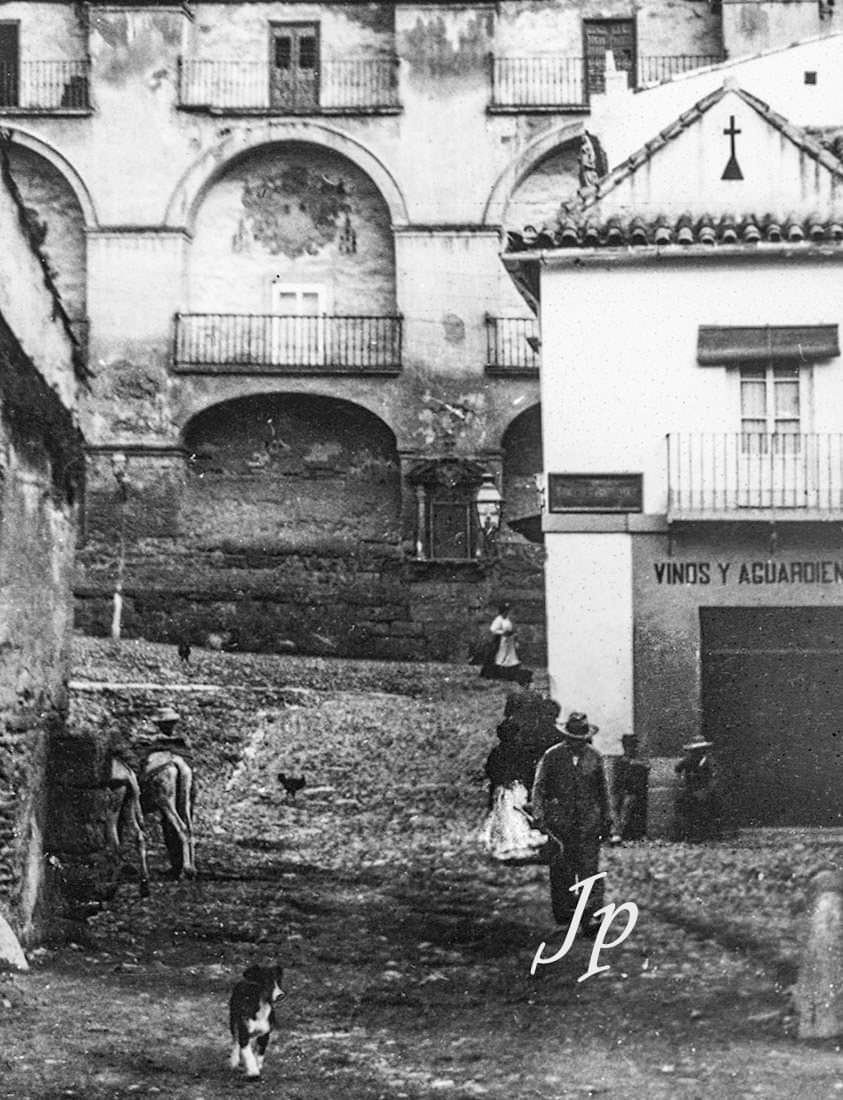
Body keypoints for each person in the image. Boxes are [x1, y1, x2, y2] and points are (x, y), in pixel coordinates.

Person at [530, 711, 612, 933]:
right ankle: (565, 913)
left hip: (588, 823)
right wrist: (539, 814)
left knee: (589, 869)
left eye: (581, 740)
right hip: (560, 824)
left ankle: (592, 916)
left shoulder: (594, 757)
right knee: (562, 870)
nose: (577, 744)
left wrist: (607, 817)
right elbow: (539, 786)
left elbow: (603, 791)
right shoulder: (552, 756)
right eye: (573, 739)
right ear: (566, 737)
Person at [480, 718, 547, 862]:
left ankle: (513, 842)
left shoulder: (504, 752)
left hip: (512, 789)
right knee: (510, 815)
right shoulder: (511, 752)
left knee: (513, 814)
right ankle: (513, 843)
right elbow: (493, 771)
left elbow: (491, 771)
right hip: (508, 789)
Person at [674, 739, 721, 841]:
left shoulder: (708, 761)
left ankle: (706, 834)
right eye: (694, 750)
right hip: (690, 790)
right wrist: (682, 782)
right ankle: (688, 834)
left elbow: (714, 777)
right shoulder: (688, 760)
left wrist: (707, 790)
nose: (696, 753)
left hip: (704, 790)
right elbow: (677, 769)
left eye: (699, 750)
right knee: (685, 810)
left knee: (705, 811)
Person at [479, 601, 533, 687]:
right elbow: (493, 629)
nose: (507, 613)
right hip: (501, 640)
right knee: (499, 656)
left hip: (509, 641)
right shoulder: (498, 619)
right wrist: (502, 632)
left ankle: (508, 672)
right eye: (505, 611)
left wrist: (513, 635)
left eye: (507, 611)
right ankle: (494, 673)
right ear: (502, 611)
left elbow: (510, 628)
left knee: (509, 656)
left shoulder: (507, 620)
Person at [611, 733, 649, 842]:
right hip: (621, 792)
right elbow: (616, 780)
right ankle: (616, 832)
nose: (632, 748)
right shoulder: (619, 762)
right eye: (628, 746)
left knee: (629, 802)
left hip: (636, 792)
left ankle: (621, 832)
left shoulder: (640, 761)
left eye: (633, 746)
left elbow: (643, 778)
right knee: (616, 805)